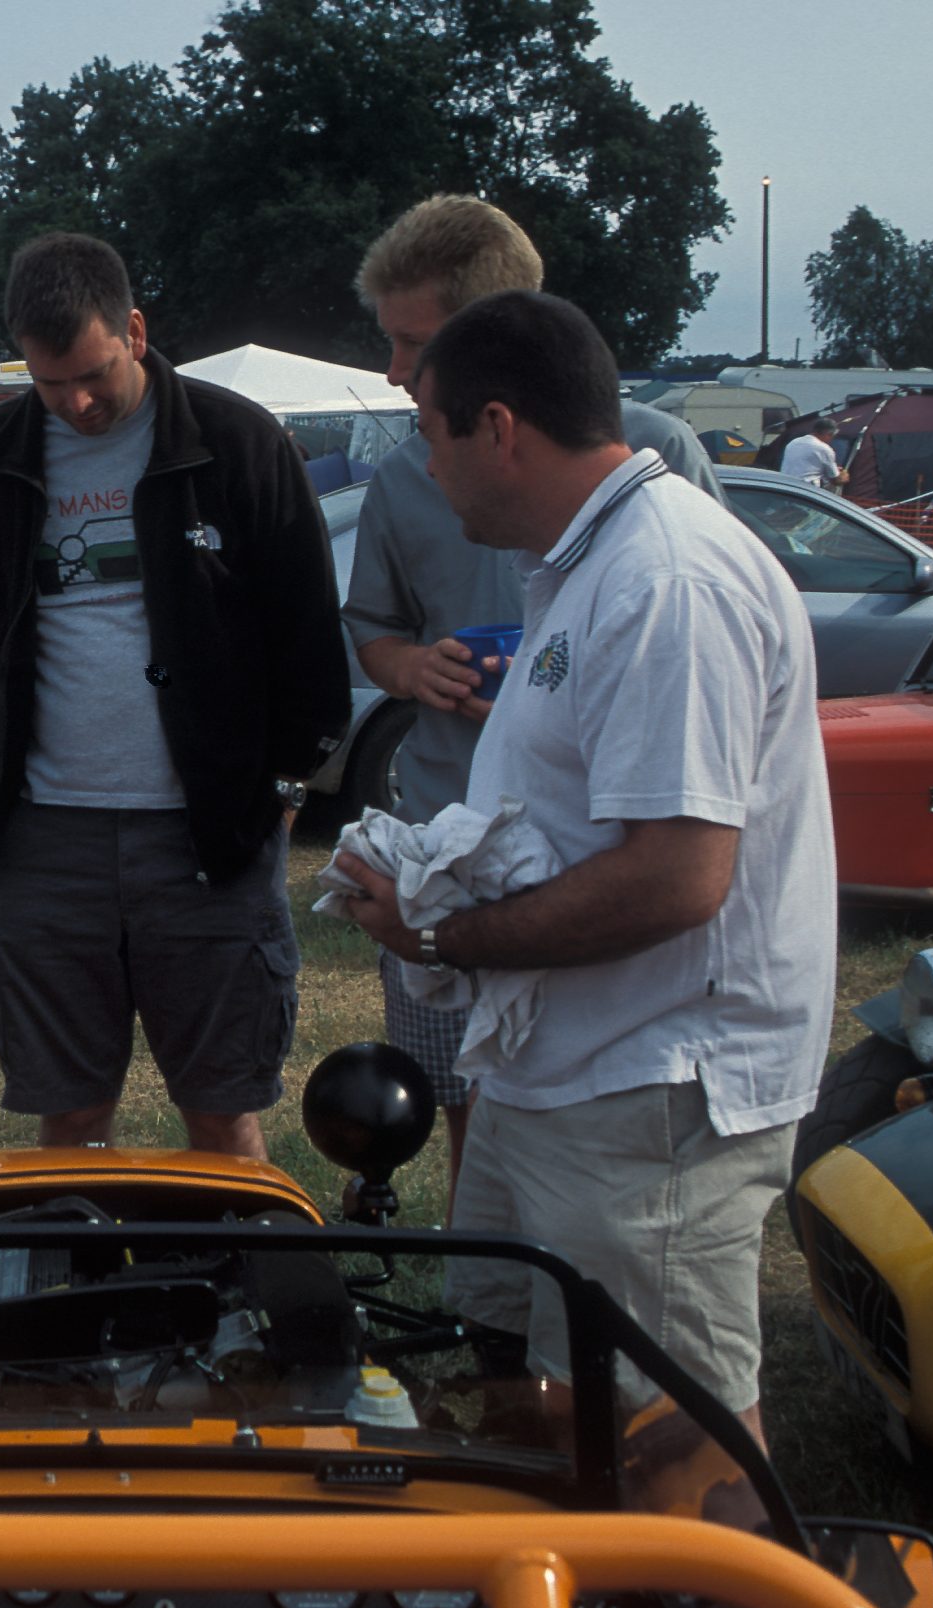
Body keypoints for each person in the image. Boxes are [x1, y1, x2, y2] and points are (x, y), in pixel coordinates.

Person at [333, 290, 835, 1456]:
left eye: (430, 428)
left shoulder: (666, 583)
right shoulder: (588, 564)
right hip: (563, 1069)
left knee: (672, 1435)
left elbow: (676, 879)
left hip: (651, 1089)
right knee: (548, 1397)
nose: (422, 464)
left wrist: (439, 934)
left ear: (498, 427)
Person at [0, 232, 351, 1159]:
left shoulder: (236, 444)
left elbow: (310, 640)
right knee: (69, 1118)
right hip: (45, 842)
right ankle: (79, 1299)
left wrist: (281, 792)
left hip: (208, 840)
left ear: (136, 332)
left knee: (223, 1113)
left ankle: (235, 1297)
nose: (74, 402)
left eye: (91, 374)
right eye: (46, 383)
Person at [346, 195, 727, 1183]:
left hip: (594, 873)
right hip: (448, 821)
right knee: (467, 1096)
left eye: (410, 342)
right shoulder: (406, 476)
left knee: (582, 1128)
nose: (391, 371)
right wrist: (409, 668)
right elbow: (372, 632)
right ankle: (492, 1285)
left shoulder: (653, 478)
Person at [780, 415, 849, 491]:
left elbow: (805, 467)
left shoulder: (793, 442)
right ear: (828, 434)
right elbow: (836, 480)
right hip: (806, 491)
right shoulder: (824, 449)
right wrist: (844, 474)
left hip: (785, 487)